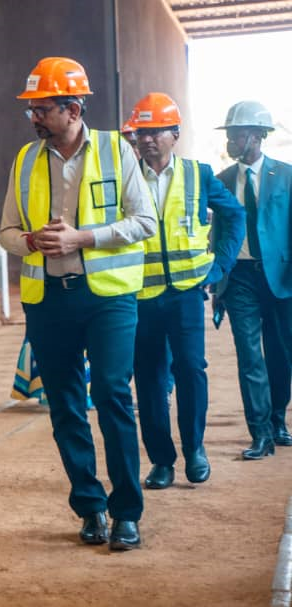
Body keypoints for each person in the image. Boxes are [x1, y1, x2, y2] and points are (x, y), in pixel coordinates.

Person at [0, 57, 156, 551]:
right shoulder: (25, 160)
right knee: (64, 405)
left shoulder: (115, 150)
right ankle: (89, 506)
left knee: (111, 395)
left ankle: (126, 512)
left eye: (42, 110)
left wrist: (83, 238)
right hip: (48, 301)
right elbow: (4, 232)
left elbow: (144, 221)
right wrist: (30, 241)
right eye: (32, 111)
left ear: (72, 108)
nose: (34, 119)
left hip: (108, 299)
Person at [128, 93, 245, 488]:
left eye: (156, 131)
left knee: (191, 370)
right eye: (142, 132)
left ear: (174, 134)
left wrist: (222, 265)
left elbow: (234, 214)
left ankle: (195, 448)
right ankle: (162, 460)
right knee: (148, 378)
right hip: (141, 297)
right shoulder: (126, 176)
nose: (147, 139)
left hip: (187, 293)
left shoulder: (198, 174)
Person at [213, 100, 292, 460]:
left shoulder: (286, 176)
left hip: (281, 277)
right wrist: (217, 282)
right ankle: (259, 433)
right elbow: (215, 232)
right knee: (249, 357)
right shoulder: (222, 181)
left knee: (280, 354)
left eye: (238, 133)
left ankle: (278, 420)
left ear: (259, 135)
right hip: (240, 277)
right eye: (229, 133)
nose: (232, 139)